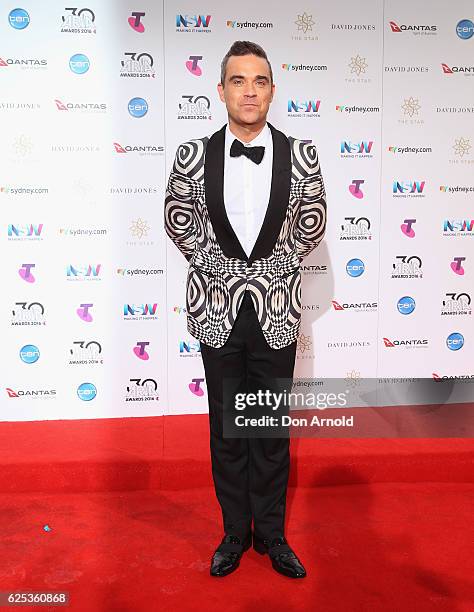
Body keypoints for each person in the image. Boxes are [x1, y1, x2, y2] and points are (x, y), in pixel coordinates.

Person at [164, 41, 326, 578]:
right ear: (222, 90)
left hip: (277, 310)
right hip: (216, 309)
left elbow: (312, 222)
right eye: (238, 81)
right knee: (229, 429)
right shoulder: (193, 154)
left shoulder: (301, 153)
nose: (249, 91)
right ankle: (234, 534)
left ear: (272, 90)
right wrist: (225, 271)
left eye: (259, 81)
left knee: (271, 430)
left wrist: (268, 272)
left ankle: (273, 537)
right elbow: (177, 220)